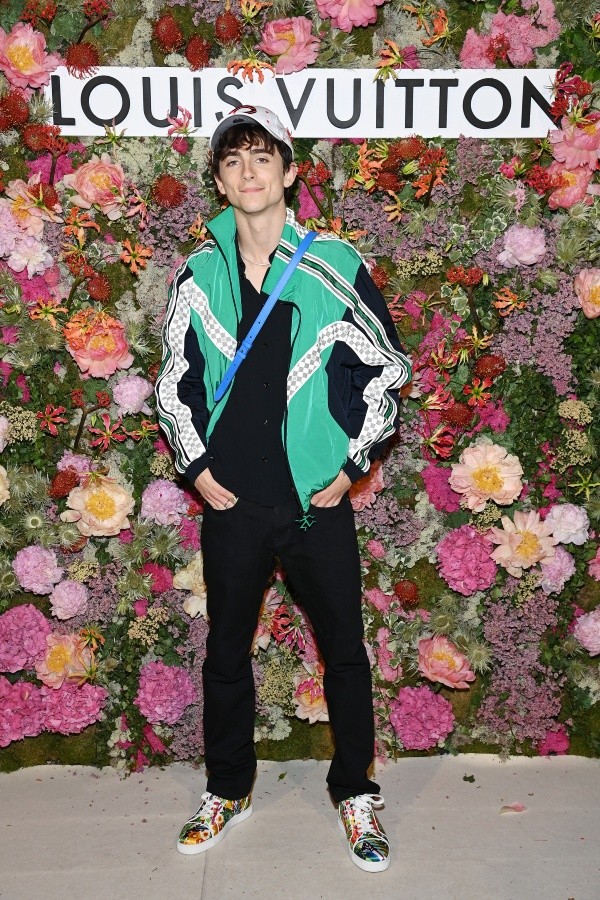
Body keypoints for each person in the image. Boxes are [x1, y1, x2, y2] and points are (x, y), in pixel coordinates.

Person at [155, 105, 411, 873]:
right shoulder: (197, 274)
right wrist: (197, 470)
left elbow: (389, 369)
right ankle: (228, 787)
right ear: (221, 181)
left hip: (315, 504)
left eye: (263, 157)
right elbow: (175, 383)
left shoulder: (332, 262)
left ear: (291, 171)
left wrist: (350, 466)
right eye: (233, 161)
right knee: (226, 652)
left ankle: (355, 790)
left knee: (344, 653)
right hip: (231, 503)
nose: (249, 172)